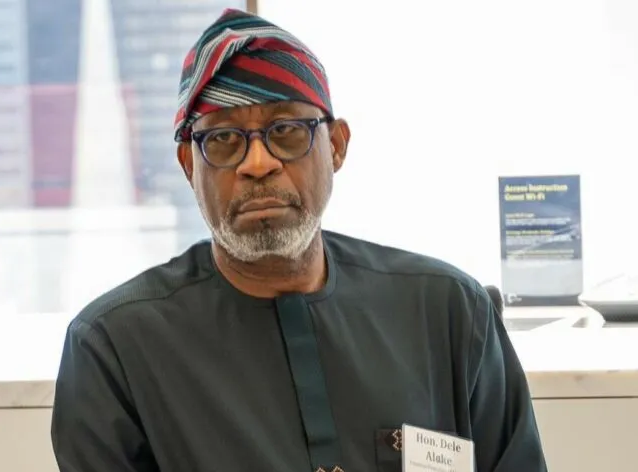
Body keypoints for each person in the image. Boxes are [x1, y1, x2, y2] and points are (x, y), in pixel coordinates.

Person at [51, 8, 547, 472]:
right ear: (188, 165)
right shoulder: (115, 348)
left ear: (336, 146)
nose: (258, 163)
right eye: (223, 140)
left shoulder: (448, 312)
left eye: (287, 130)